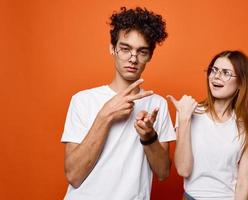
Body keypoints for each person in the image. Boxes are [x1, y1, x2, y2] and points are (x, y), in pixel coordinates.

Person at [61, 7, 176, 200]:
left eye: (142, 51)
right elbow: (74, 175)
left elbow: (163, 173)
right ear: (112, 48)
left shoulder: (158, 104)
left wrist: (149, 136)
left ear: (149, 56)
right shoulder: (83, 100)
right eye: (125, 48)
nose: (133, 58)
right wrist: (105, 115)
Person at [167, 50, 248, 200]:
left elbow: (243, 184)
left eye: (226, 73)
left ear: (241, 83)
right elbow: (183, 169)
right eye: (214, 70)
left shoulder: (247, 126)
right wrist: (184, 119)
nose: (216, 76)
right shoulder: (189, 112)